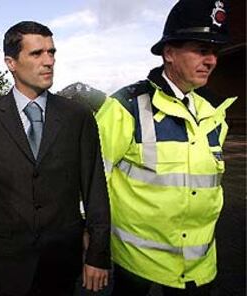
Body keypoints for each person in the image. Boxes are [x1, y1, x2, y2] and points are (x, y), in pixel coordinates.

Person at [96, 0, 236, 295]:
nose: (211, 60)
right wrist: (94, 246)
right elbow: (92, 182)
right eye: (201, 50)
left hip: (198, 267)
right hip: (136, 265)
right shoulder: (125, 107)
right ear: (169, 53)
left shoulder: (214, 112)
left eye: (214, 51)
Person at [0, 21, 110, 296]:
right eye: (37, 54)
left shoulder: (77, 117)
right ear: (11, 62)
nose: (49, 61)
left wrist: (98, 253)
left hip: (62, 259)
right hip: (7, 258)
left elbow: (95, 189)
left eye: (52, 52)